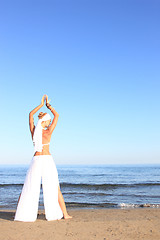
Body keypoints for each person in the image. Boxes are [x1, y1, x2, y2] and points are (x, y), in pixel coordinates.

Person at [14, 95, 72, 222]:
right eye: (48, 121)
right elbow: (57, 116)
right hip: (46, 160)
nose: (50, 122)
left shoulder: (33, 131)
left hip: (37, 160)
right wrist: (48, 106)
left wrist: (41, 105)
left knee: (28, 187)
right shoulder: (48, 132)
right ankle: (65, 214)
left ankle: (19, 214)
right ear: (44, 121)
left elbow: (30, 115)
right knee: (54, 187)